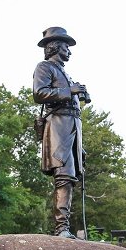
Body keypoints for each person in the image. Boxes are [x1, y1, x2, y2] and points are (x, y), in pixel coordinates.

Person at [33, 27, 89, 239]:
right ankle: (61, 228)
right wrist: (69, 91)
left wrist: (79, 144)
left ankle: (64, 228)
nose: (70, 51)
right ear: (55, 47)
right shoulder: (44, 67)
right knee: (63, 176)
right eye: (66, 47)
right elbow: (39, 94)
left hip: (72, 127)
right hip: (58, 125)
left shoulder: (64, 72)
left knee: (71, 177)